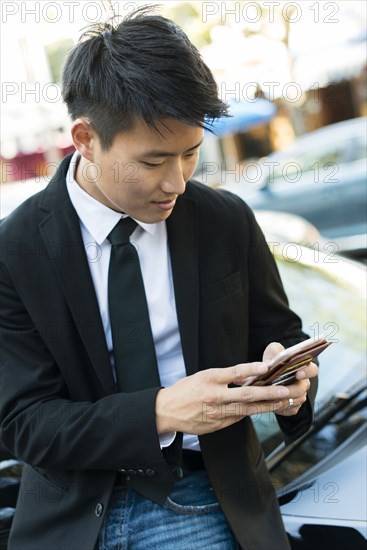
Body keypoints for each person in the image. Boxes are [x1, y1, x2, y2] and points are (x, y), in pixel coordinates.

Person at [0, 7, 318, 550]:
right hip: (73, 519)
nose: (177, 181)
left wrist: (290, 384)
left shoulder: (225, 220)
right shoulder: (15, 249)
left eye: (191, 153)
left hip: (208, 497)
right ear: (85, 139)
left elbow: (282, 339)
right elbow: (23, 422)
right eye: (153, 161)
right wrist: (160, 412)